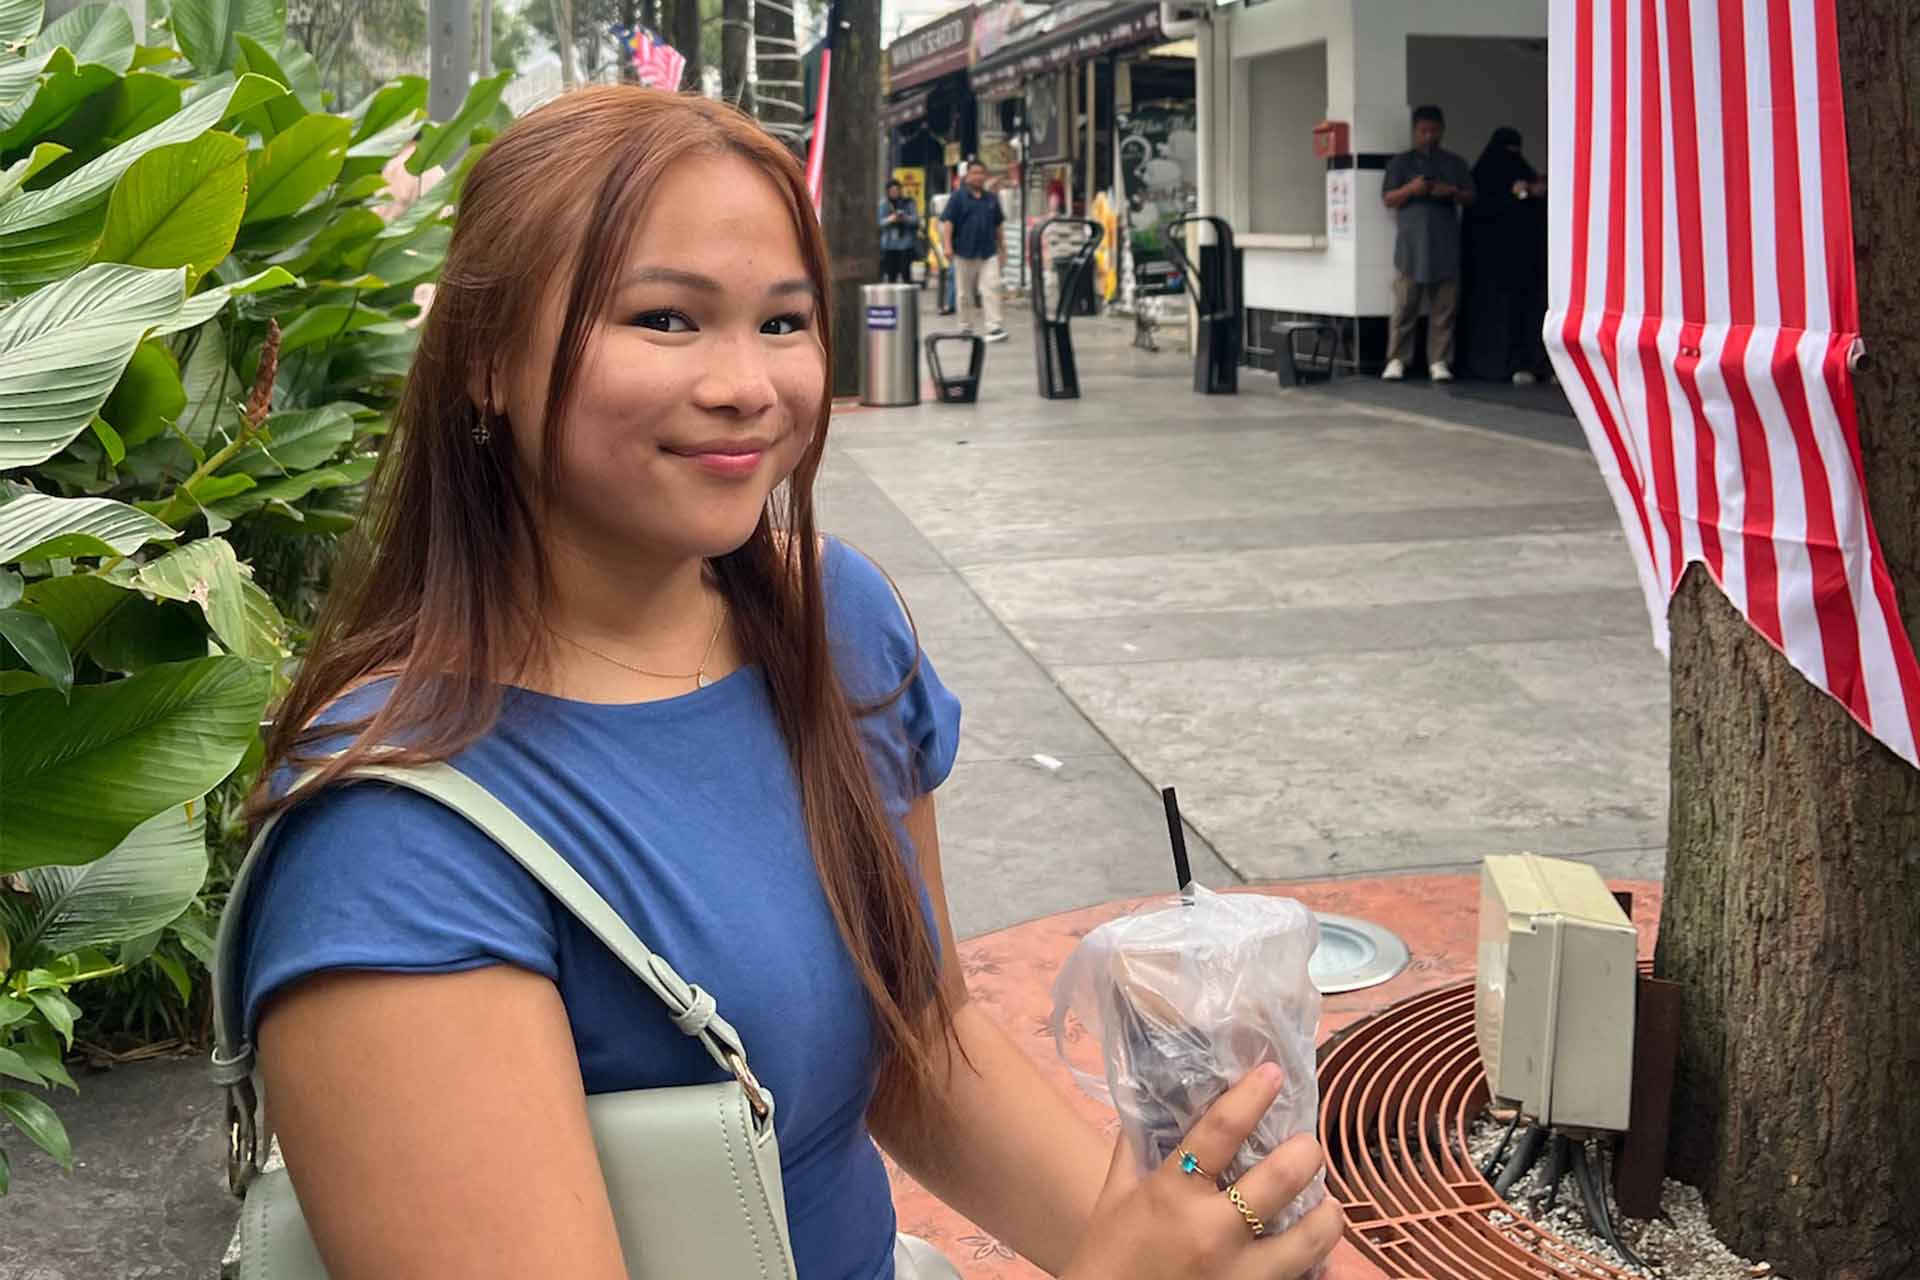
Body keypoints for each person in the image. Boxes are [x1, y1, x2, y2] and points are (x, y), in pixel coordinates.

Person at [233, 87, 1342, 1280]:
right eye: (667, 318)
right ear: (488, 359)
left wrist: (1164, 1248)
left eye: (783, 322)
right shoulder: (391, 846)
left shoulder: (837, 622)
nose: (747, 386)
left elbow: (921, 1037)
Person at [1381, 104, 1475, 382]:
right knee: (1404, 306)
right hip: (1410, 247)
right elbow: (1387, 199)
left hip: (1445, 244)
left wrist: (1451, 191)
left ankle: (1439, 361)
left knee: (1444, 308)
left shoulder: (1454, 164)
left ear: (1442, 130)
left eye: (1433, 131)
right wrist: (1412, 189)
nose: (1428, 136)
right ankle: (1397, 359)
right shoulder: (1401, 163)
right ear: (1414, 131)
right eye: (1423, 131)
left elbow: (1471, 198)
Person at [1461, 126, 1551, 384]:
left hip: (1524, 264)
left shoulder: (1526, 175)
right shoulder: (1482, 179)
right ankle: (1500, 363)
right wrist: (1513, 196)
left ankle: (1529, 362)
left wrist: (1532, 194)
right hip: (1490, 267)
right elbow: (1481, 212)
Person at [940, 160, 1008, 342]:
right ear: (967, 176)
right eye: (974, 173)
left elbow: (998, 225)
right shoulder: (957, 197)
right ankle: (965, 327)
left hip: (988, 252)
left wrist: (1003, 249)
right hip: (964, 251)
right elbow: (948, 223)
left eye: (981, 173)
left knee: (991, 288)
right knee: (964, 293)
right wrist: (947, 246)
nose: (978, 176)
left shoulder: (992, 199)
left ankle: (994, 327)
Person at [878, 179, 920, 284]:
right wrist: (890, 219)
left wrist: (905, 218)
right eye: (892, 191)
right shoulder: (884, 204)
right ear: (887, 192)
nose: (895, 193)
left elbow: (916, 220)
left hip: (906, 244)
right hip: (889, 245)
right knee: (891, 275)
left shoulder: (908, 203)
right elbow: (879, 223)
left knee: (906, 274)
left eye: (897, 190)